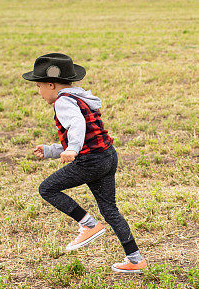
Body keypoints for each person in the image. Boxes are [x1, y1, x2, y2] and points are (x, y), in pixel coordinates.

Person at [23, 53, 146, 273]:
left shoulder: (63, 102)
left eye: (39, 86)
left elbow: (77, 126)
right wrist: (52, 150)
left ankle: (89, 224)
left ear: (51, 85)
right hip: (107, 156)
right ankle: (135, 259)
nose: (38, 92)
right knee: (110, 210)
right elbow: (85, 133)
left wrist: (72, 149)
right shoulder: (80, 98)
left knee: (47, 188)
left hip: (91, 161)